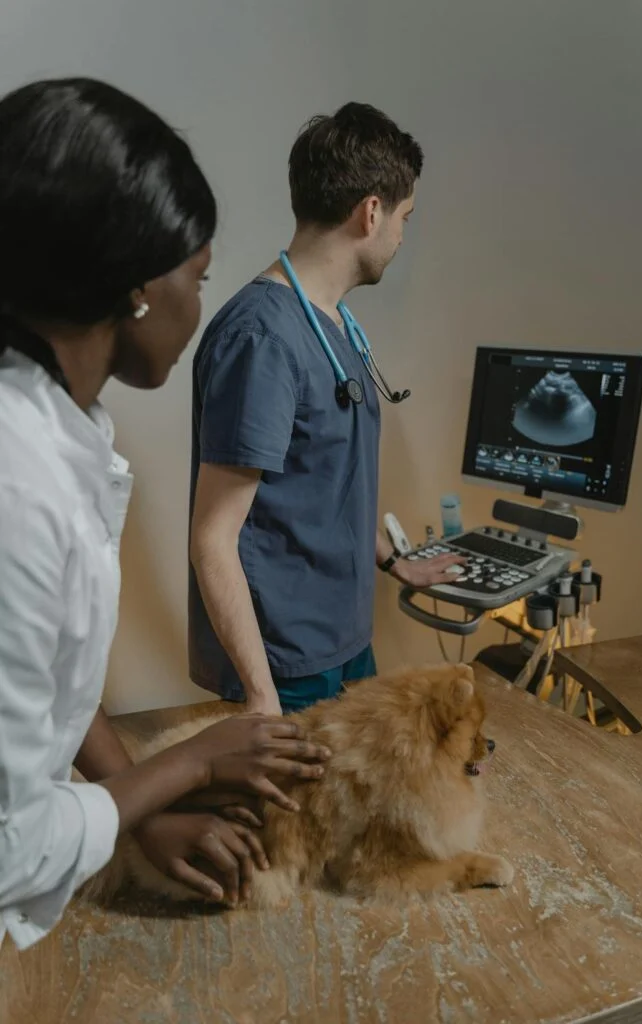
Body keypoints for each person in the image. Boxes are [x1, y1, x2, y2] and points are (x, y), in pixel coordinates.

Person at [0, 78, 329, 951]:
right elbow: (8, 847)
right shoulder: (16, 487)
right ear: (138, 287)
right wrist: (192, 761)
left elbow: (49, 689)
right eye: (198, 275)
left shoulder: (53, 432)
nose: (201, 303)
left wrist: (140, 807)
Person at [189, 102, 462, 717]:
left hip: (343, 645)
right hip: (287, 667)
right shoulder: (262, 339)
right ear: (371, 211)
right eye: (404, 217)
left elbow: (324, 483)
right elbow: (213, 538)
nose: (400, 236)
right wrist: (263, 701)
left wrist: (399, 564)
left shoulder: (331, 323)